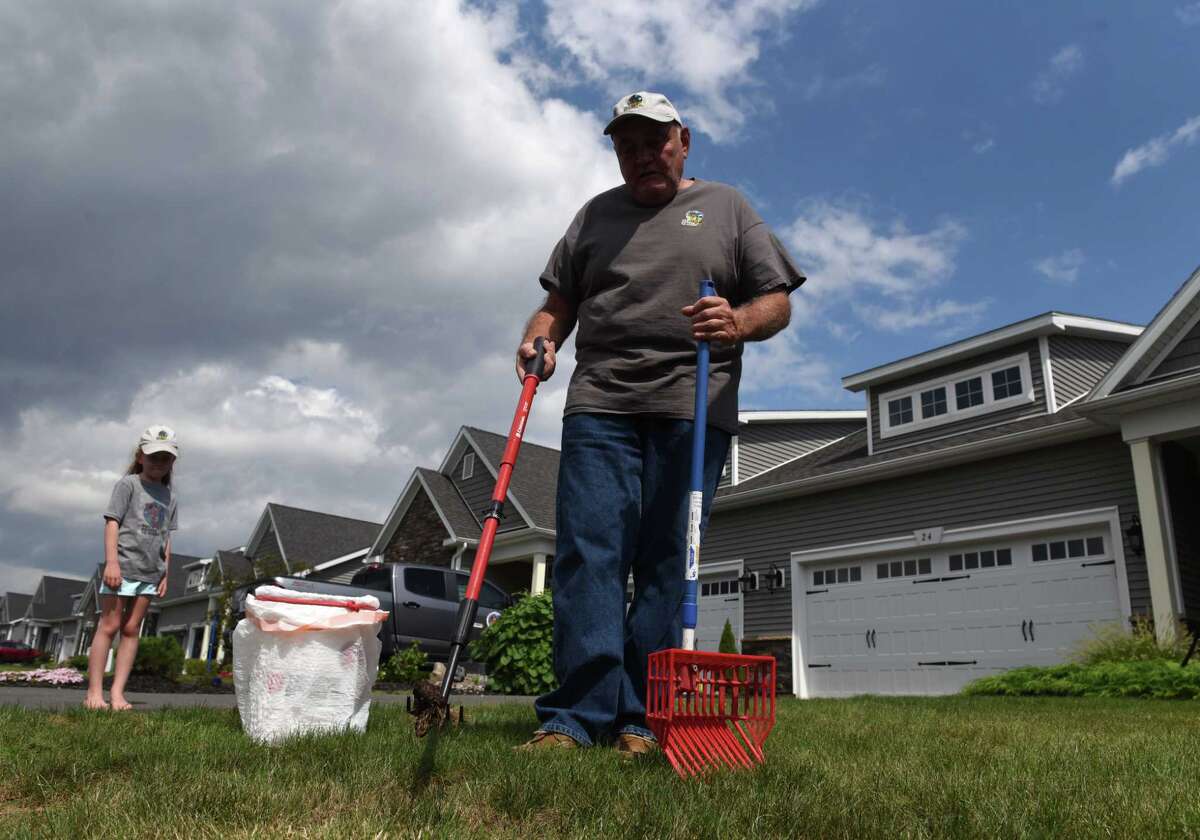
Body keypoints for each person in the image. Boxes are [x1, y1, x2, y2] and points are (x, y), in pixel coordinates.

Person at [514, 91, 805, 754]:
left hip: (692, 407)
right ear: (617, 152)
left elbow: (777, 302)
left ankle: (644, 719)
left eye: (656, 142)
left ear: (684, 140)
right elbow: (557, 303)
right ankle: (576, 718)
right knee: (590, 555)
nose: (644, 155)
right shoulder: (594, 216)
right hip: (601, 404)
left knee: (669, 560)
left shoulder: (728, 206)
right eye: (629, 145)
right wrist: (541, 339)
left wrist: (738, 321)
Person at [84, 425, 180, 710]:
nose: (158, 463)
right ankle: (94, 694)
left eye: (165, 458)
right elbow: (112, 522)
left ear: (172, 461)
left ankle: (117, 694)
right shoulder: (128, 485)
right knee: (110, 624)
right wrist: (112, 562)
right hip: (122, 567)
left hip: (150, 573)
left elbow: (166, 536)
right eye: (153, 457)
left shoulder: (169, 497)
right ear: (140, 456)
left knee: (131, 629)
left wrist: (165, 572)